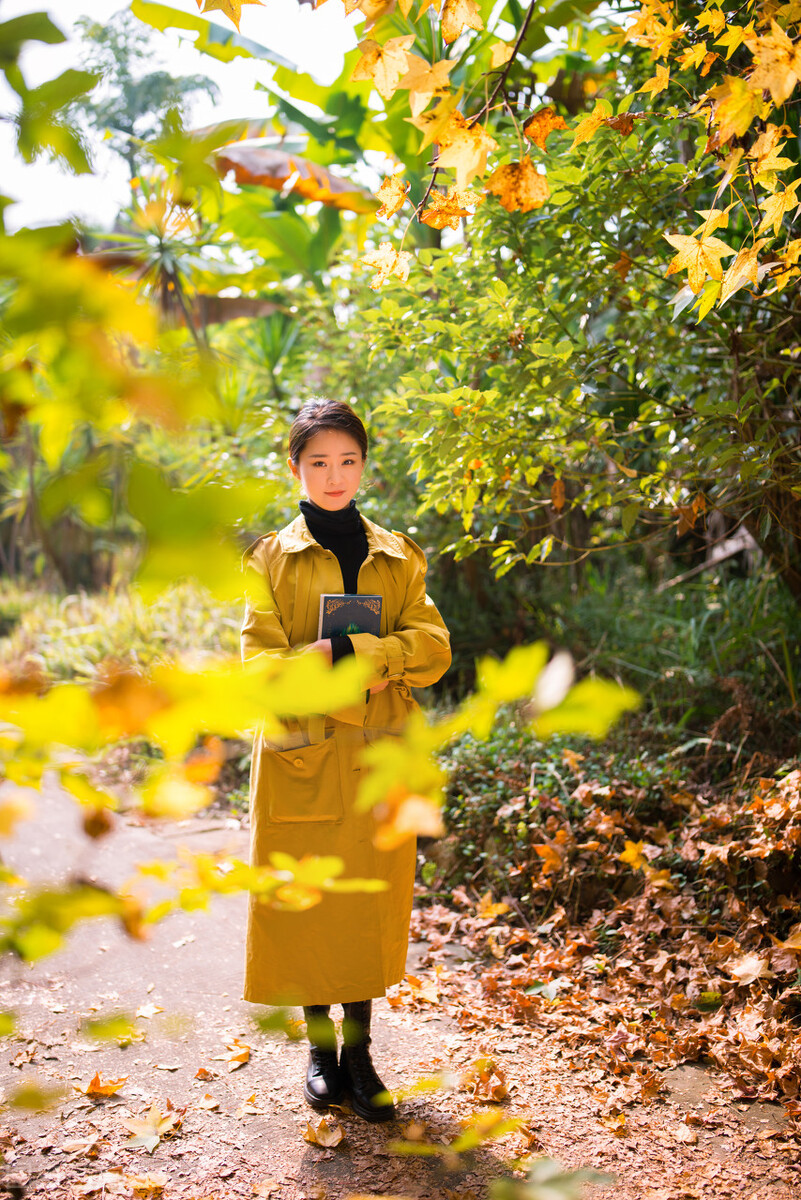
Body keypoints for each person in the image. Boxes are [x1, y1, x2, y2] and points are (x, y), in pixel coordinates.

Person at [240, 399, 451, 1122]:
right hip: (303, 754)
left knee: (363, 905)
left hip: (378, 753)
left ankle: (360, 1056)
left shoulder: (399, 553)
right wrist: (324, 657)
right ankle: (320, 1054)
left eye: (348, 461)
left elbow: (433, 647)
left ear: (364, 464)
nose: (335, 476)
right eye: (319, 463)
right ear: (294, 468)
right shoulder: (268, 558)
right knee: (307, 904)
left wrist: (373, 653)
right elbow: (256, 667)